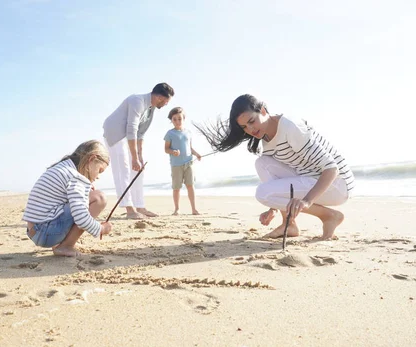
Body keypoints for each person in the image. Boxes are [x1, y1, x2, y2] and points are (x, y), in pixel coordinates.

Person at [195, 94, 355, 240]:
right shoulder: (265, 137)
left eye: (251, 121)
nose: (250, 130)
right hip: (311, 178)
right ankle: (289, 224)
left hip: (338, 185)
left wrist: (306, 201)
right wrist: (273, 208)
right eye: (244, 127)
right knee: (262, 163)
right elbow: (280, 178)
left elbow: (332, 168)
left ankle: (328, 216)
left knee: (262, 193)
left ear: (263, 111)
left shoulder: (290, 127)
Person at [22, 140, 112, 257]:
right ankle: (66, 246)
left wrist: (85, 191)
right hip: (45, 233)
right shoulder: (76, 177)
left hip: (35, 231)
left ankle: (61, 243)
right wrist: (101, 229)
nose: (98, 176)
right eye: (99, 170)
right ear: (91, 159)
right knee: (99, 198)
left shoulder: (64, 168)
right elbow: (81, 218)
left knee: (86, 198)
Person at [103, 83, 174, 219]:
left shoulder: (151, 108)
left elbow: (140, 133)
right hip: (115, 134)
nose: (166, 104)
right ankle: (130, 210)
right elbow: (132, 129)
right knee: (123, 169)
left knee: (138, 169)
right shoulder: (137, 101)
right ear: (159, 97)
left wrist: (139, 157)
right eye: (166, 101)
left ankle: (140, 206)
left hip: (129, 136)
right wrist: (134, 157)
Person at [164, 106, 202, 215]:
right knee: (176, 188)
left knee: (190, 185)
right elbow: (166, 149)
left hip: (188, 163)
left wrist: (197, 154)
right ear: (171, 120)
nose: (177, 121)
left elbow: (189, 148)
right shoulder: (170, 134)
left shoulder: (188, 132)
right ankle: (176, 209)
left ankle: (194, 209)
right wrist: (173, 152)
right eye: (174, 119)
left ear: (183, 119)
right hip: (176, 165)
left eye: (179, 118)